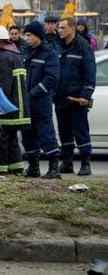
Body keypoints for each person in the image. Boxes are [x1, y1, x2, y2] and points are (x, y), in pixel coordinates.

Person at [0, 23, 30, 176]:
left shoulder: (1, 58)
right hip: (15, 112)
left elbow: (0, 88)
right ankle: (16, 172)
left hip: (4, 113)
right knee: (11, 143)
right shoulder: (14, 55)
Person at [55, 17, 96, 176]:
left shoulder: (83, 47)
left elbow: (90, 73)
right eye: (59, 28)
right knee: (64, 132)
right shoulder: (58, 47)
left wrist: (86, 94)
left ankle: (85, 163)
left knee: (81, 131)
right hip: (61, 98)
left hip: (77, 99)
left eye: (63, 28)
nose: (60, 31)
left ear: (72, 29)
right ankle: (67, 163)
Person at [21, 21, 61, 179]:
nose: (26, 38)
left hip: (41, 102)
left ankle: (54, 168)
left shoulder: (49, 53)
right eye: (26, 35)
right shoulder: (26, 52)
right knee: (28, 135)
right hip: (27, 102)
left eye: (29, 35)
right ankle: (33, 167)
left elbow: (51, 78)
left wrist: (33, 93)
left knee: (46, 134)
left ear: (38, 36)